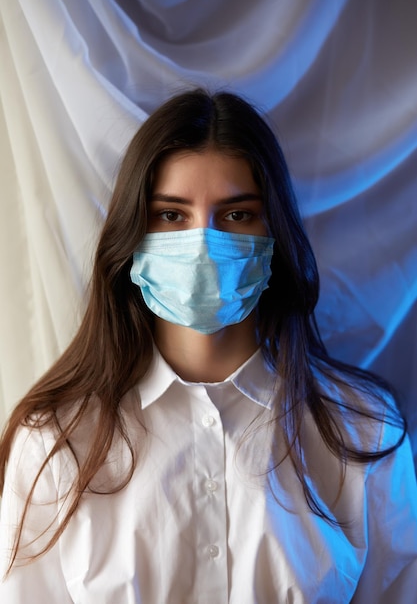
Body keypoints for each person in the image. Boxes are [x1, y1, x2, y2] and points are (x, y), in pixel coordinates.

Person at [0, 88, 416, 603]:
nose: (203, 245)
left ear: (275, 233)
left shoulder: (364, 430)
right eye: (172, 216)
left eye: (237, 215)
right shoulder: (56, 442)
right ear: (133, 235)